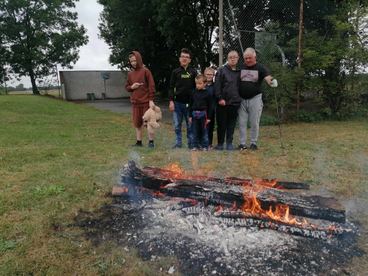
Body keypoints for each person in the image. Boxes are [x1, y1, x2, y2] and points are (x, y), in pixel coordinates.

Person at [238, 47, 278, 151]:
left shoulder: (260, 68)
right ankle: (242, 143)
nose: (247, 60)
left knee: (254, 122)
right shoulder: (241, 66)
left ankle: (253, 143)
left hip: (255, 99)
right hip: (241, 99)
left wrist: (271, 81)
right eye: (245, 58)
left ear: (255, 57)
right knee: (242, 122)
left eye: (249, 58)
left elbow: (267, 77)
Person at [125, 51, 156, 148]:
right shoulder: (130, 74)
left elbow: (151, 86)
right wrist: (132, 87)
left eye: (135, 60)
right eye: (131, 61)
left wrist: (151, 99)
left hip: (146, 102)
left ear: (139, 59)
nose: (133, 63)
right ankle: (139, 142)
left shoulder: (146, 71)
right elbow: (127, 87)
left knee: (148, 124)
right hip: (135, 103)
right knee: (137, 123)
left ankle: (151, 142)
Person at [168, 48, 197, 149]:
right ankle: (178, 143)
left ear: (190, 60)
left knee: (190, 125)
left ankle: (190, 143)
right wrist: (171, 101)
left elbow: (197, 87)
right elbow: (171, 88)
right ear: (179, 59)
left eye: (187, 57)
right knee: (177, 125)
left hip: (190, 104)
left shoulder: (193, 72)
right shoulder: (175, 72)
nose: (184, 59)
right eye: (182, 57)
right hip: (177, 103)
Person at [214, 50, 242, 151]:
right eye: (231, 57)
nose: (233, 59)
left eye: (235, 57)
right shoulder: (221, 70)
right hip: (223, 103)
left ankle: (229, 143)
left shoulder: (240, 71)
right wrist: (220, 98)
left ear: (238, 58)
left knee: (231, 124)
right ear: (227, 59)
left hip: (235, 103)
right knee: (221, 124)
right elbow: (217, 86)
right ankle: (220, 144)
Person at [189, 74, 213, 151]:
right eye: (196, 83)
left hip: (204, 114)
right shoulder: (193, 92)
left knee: (204, 131)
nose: (198, 85)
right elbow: (190, 104)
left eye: (200, 83)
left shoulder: (208, 93)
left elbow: (210, 106)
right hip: (194, 114)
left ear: (205, 84)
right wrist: (190, 116)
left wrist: (209, 117)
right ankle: (195, 146)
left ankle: (205, 146)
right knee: (194, 131)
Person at [204, 67, 216, 149]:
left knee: (210, 127)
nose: (209, 76)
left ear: (213, 75)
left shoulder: (215, 86)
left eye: (211, 74)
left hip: (211, 109)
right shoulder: (201, 85)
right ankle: (201, 143)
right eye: (207, 74)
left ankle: (209, 144)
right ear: (204, 75)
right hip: (202, 109)